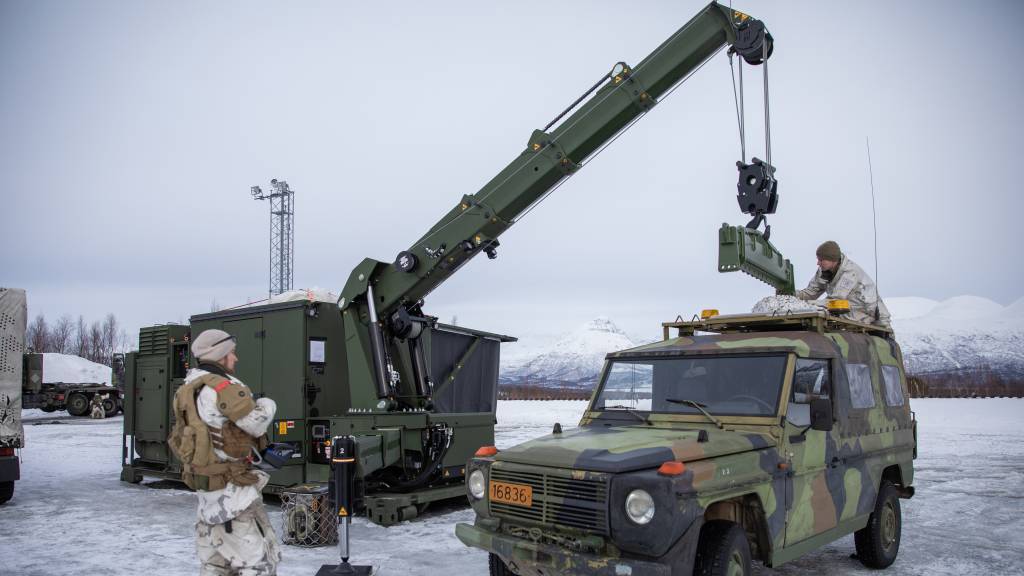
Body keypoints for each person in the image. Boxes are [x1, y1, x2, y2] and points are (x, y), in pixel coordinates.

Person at [182, 329, 281, 575]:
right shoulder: (223, 388)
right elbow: (255, 423)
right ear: (220, 356)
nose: (235, 359)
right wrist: (267, 404)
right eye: (231, 353)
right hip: (233, 499)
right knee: (259, 566)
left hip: (207, 495)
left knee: (216, 566)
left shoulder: (189, 387)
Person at [796, 240, 891, 327]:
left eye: (821, 260)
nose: (818, 263)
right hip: (850, 316)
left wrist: (804, 305)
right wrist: (790, 296)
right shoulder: (824, 271)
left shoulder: (850, 273)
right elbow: (810, 292)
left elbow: (834, 301)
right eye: (818, 259)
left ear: (833, 260)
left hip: (873, 319)